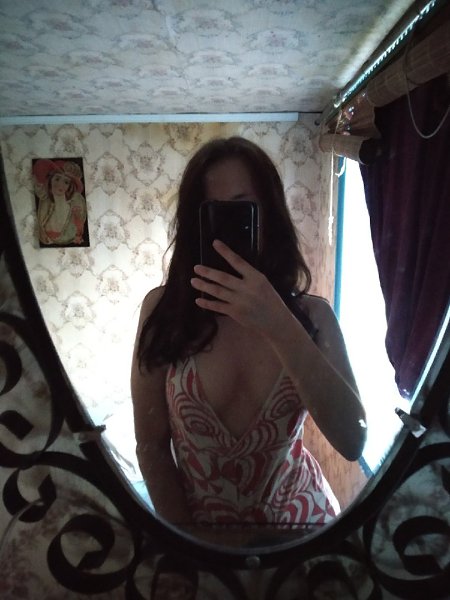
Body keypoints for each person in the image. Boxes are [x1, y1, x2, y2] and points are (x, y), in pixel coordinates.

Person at [131, 136, 367, 528]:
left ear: (270, 215)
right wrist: (189, 546)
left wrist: (278, 322)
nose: (227, 228)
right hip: (200, 537)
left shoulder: (314, 316)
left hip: (305, 529)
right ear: (194, 224)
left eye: (242, 209)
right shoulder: (163, 312)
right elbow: (151, 447)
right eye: (213, 212)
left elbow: (352, 441)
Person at [33, 159, 87, 246]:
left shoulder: (74, 210)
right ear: (50, 181)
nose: (60, 185)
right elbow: (41, 230)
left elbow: (78, 233)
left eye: (66, 182)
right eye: (57, 179)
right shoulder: (45, 206)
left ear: (69, 186)